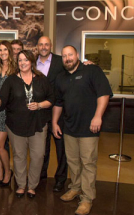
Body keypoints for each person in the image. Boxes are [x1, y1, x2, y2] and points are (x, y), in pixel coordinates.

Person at [52, 45, 112, 215]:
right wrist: (55, 122)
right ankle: (75, 188)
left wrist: (98, 116)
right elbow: (58, 102)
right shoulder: (60, 77)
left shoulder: (91, 70)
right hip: (69, 127)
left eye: (70, 55)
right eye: (64, 56)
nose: (67, 58)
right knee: (73, 161)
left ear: (77, 55)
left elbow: (104, 94)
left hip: (89, 127)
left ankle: (87, 198)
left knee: (88, 163)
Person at [0, 50, 54, 198]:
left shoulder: (42, 79)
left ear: (31, 62)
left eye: (26, 60)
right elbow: (2, 100)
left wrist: (39, 105)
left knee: (38, 155)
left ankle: (32, 186)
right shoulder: (11, 80)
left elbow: (52, 99)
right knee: (19, 156)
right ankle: (21, 185)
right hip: (15, 124)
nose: (23, 63)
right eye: (20, 60)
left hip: (38, 124)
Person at [36, 36, 68, 192]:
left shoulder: (60, 61)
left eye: (46, 44)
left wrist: (87, 64)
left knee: (61, 147)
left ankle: (60, 179)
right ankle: (41, 176)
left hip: (58, 110)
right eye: (41, 44)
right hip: (40, 112)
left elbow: (73, 67)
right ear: (37, 46)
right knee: (42, 147)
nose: (43, 47)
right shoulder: (32, 62)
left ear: (51, 46)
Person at [0, 41, 16, 187]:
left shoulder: (16, 68)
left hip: (8, 112)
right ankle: (0, 172)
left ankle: (8, 171)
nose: (3, 52)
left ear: (10, 51)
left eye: (5, 49)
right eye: (0, 50)